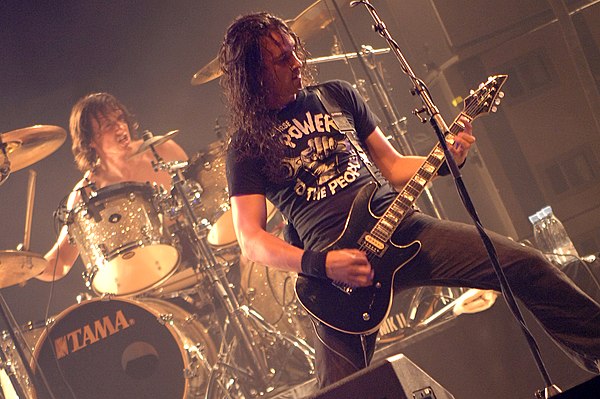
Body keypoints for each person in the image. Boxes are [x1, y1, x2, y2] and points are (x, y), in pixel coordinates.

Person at [219, 12, 600, 388]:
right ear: (254, 74)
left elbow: (395, 166)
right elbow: (251, 239)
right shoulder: (247, 145)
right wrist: (321, 264)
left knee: (525, 264)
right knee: (340, 392)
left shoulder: (334, 96)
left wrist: (450, 157)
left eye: (293, 50)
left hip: (401, 225)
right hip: (337, 274)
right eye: (281, 59)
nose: (297, 62)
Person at [37, 92, 188, 282]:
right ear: (90, 140)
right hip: (141, 285)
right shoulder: (86, 194)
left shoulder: (162, 151)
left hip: (193, 261)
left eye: (120, 118)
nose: (120, 127)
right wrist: (26, 267)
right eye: (108, 125)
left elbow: (202, 193)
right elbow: (61, 262)